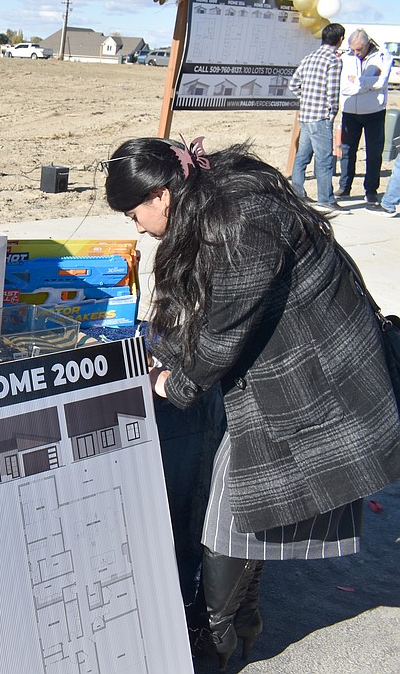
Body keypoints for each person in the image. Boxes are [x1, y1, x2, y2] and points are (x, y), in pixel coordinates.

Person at [103, 136, 400, 672]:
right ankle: (240, 623)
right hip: (290, 355)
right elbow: (199, 302)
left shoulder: (241, 219)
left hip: (317, 368)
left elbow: (223, 331)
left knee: (236, 508)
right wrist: (160, 355)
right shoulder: (211, 197)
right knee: (250, 505)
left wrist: (176, 384)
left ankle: (213, 642)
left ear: (162, 196)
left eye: (134, 213)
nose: (137, 227)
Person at [288, 23, 345, 211]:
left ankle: (297, 193)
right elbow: (333, 91)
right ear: (340, 39)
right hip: (320, 117)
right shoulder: (334, 60)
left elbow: (293, 84)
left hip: (305, 115)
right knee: (324, 160)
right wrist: (331, 113)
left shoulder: (309, 57)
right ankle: (326, 199)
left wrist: (305, 98)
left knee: (302, 156)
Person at [337, 29, 393, 203]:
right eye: (353, 49)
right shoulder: (346, 58)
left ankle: (371, 189)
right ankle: (345, 187)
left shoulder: (383, 57)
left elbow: (382, 82)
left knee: (373, 153)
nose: (356, 53)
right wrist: (368, 82)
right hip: (350, 112)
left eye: (359, 49)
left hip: (374, 112)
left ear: (368, 44)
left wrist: (358, 81)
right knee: (346, 151)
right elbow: (344, 86)